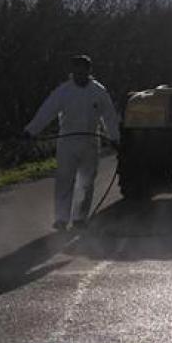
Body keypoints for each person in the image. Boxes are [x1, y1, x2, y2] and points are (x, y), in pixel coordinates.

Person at [24, 54, 120, 229]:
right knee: (64, 180)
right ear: (72, 71)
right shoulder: (64, 91)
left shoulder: (98, 91)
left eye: (83, 71)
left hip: (90, 142)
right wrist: (31, 130)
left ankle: (79, 218)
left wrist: (115, 138)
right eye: (76, 71)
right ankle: (61, 219)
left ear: (89, 71)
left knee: (86, 182)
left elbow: (109, 117)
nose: (79, 74)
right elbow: (47, 111)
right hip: (67, 142)